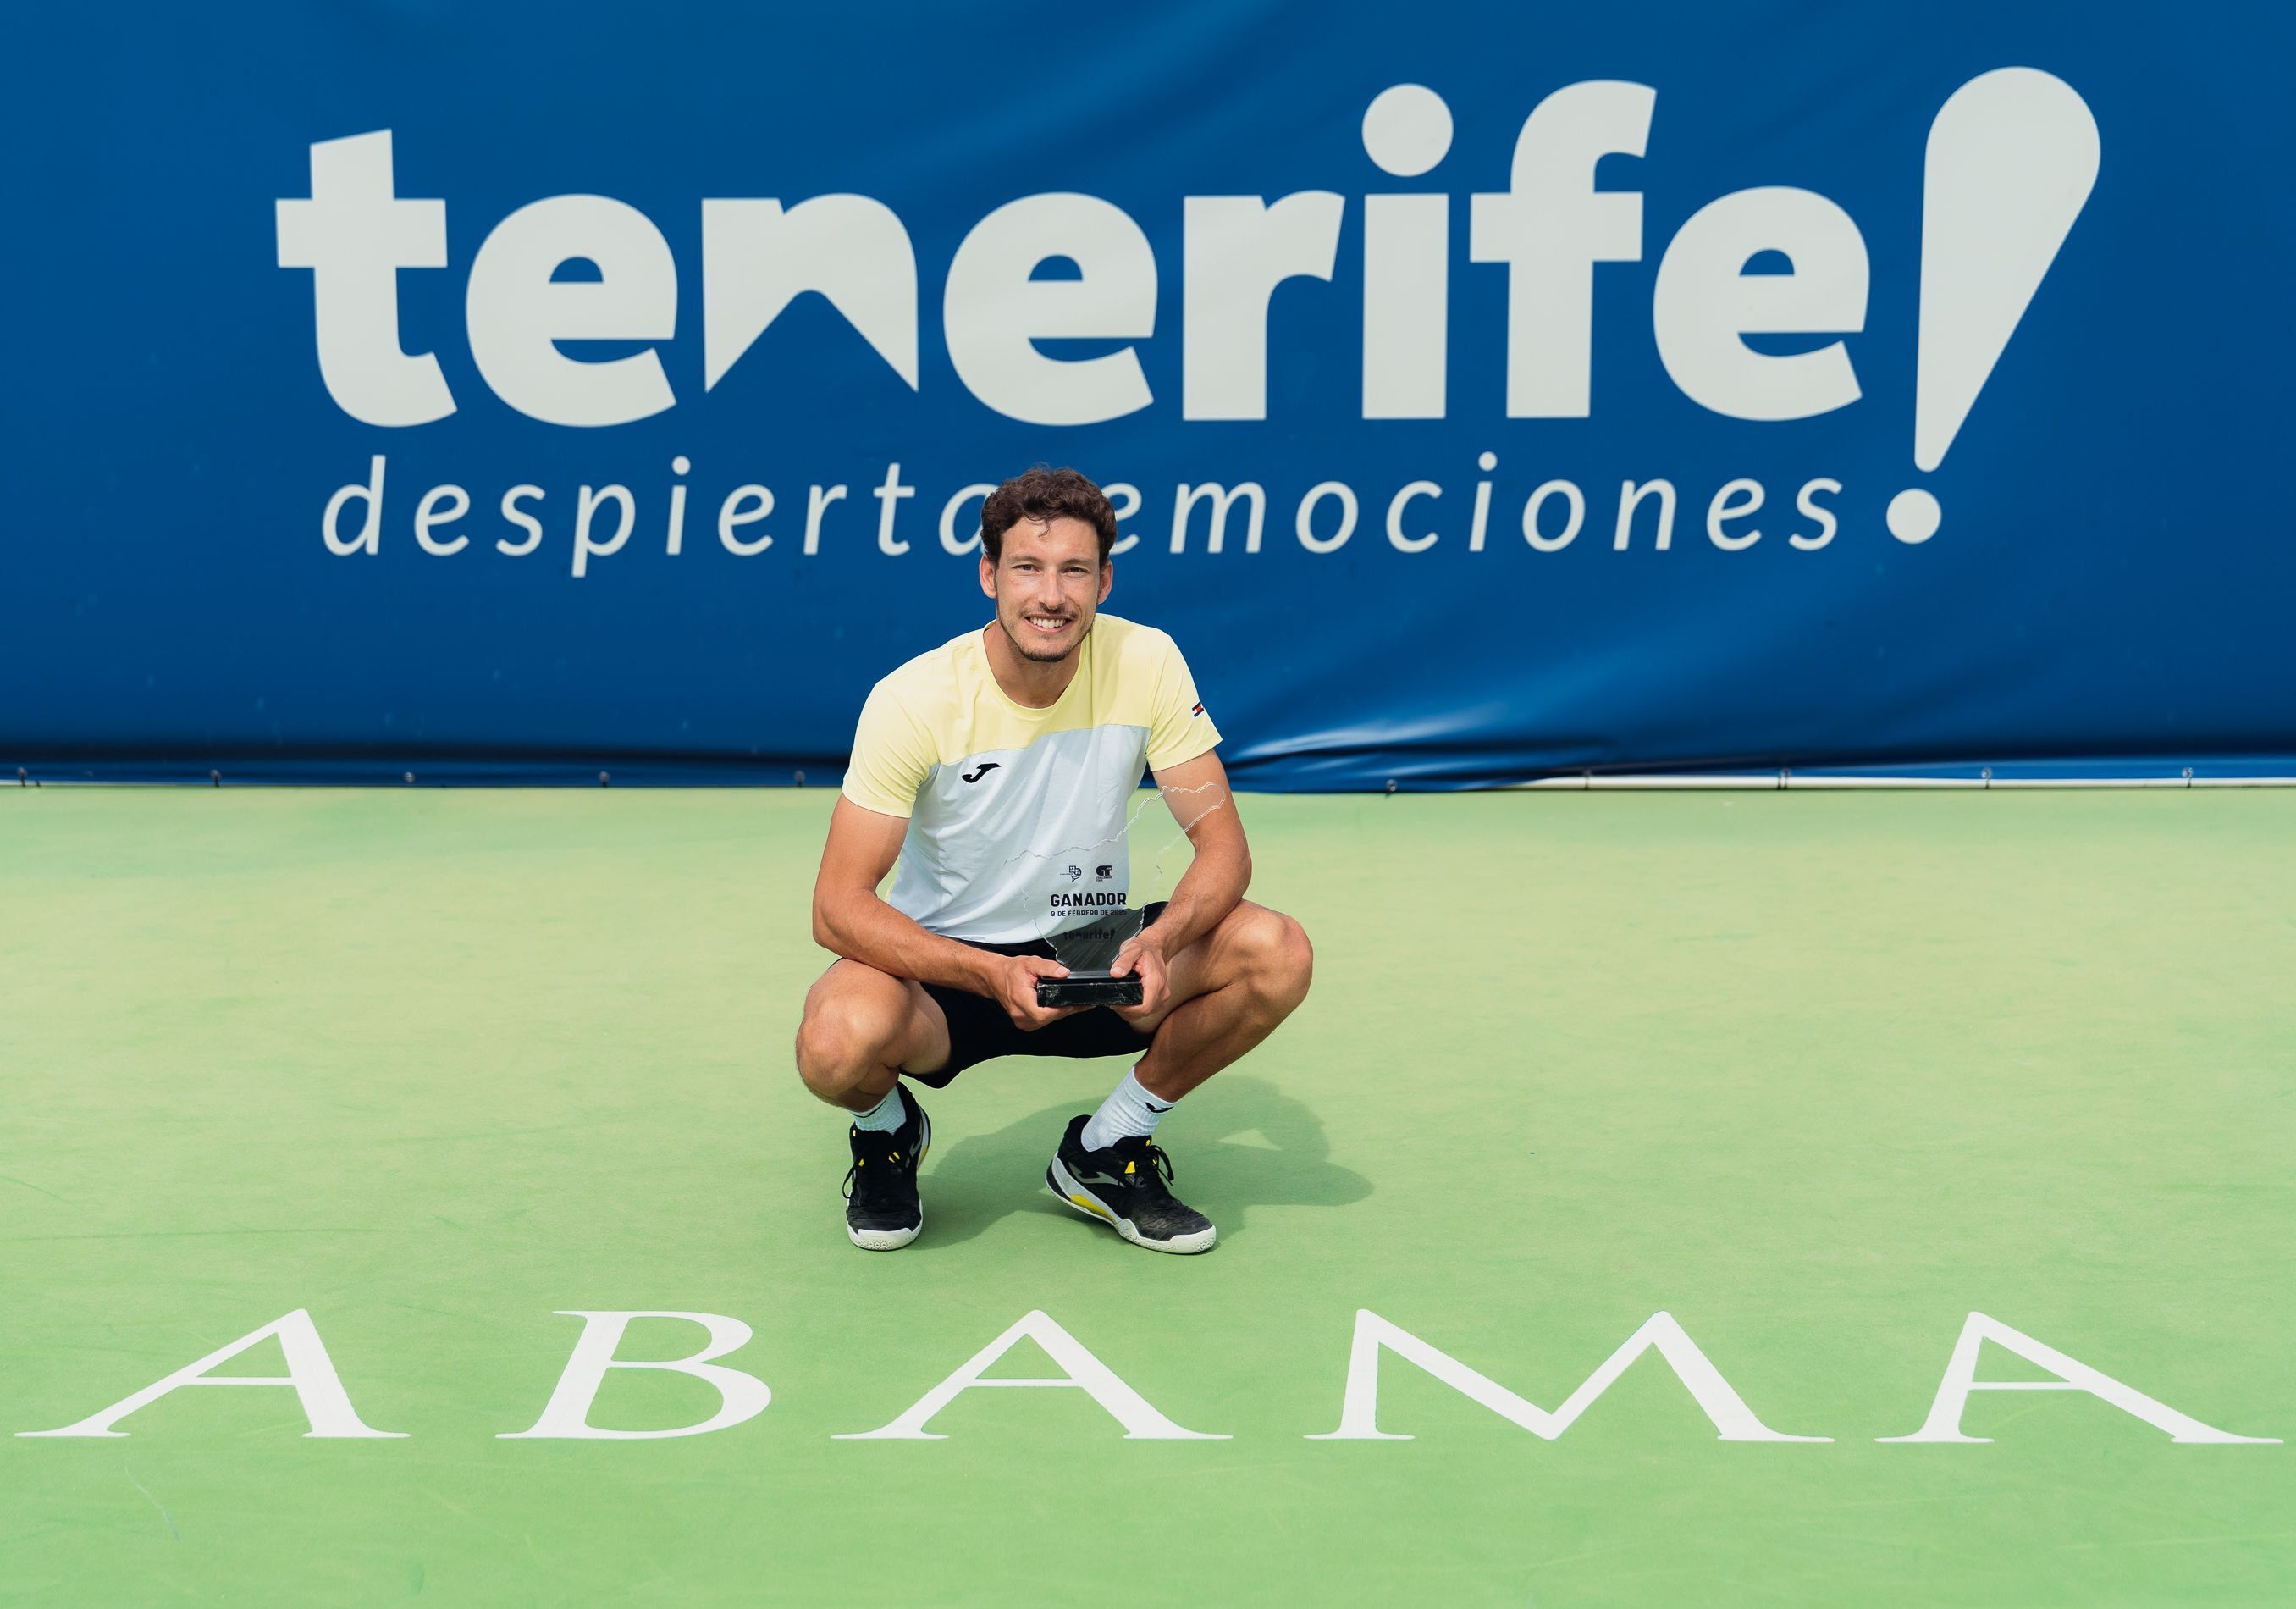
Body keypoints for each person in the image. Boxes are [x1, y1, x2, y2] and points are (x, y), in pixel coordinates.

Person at [796, 466, 1314, 1255]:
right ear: (989, 577)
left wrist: (1161, 942)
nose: (1051, 595)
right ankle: (887, 1131)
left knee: (1277, 953)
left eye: (1074, 570)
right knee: (835, 1042)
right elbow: (837, 907)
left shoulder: (1150, 661)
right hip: (949, 967)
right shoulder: (913, 699)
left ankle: (1108, 1147)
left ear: (1103, 580)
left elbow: (1224, 849)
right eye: (1027, 569)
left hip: (1092, 952)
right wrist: (987, 973)